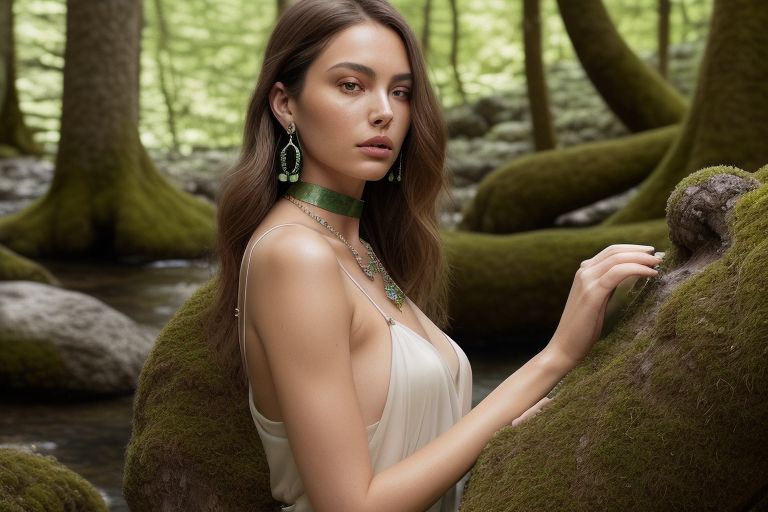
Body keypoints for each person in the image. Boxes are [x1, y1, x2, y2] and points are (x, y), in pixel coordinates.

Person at [206, 1, 663, 510]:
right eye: (351, 85)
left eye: (400, 91)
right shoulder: (294, 255)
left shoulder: (359, 248)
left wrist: (516, 435)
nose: (384, 110)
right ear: (285, 104)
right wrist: (556, 357)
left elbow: (420, 455)